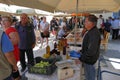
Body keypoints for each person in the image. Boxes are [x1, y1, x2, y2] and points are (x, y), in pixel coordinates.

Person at [78, 15, 101, 80]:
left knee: (90, 77)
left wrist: (81, 58)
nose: (84, 23)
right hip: (89, 60)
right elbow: (88, 45)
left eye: (86, 21)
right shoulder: (91, 30)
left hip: (90, 61)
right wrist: (81, 51)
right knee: (88, 76)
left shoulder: (94, 33)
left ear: (92, 23)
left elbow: (91, 51)